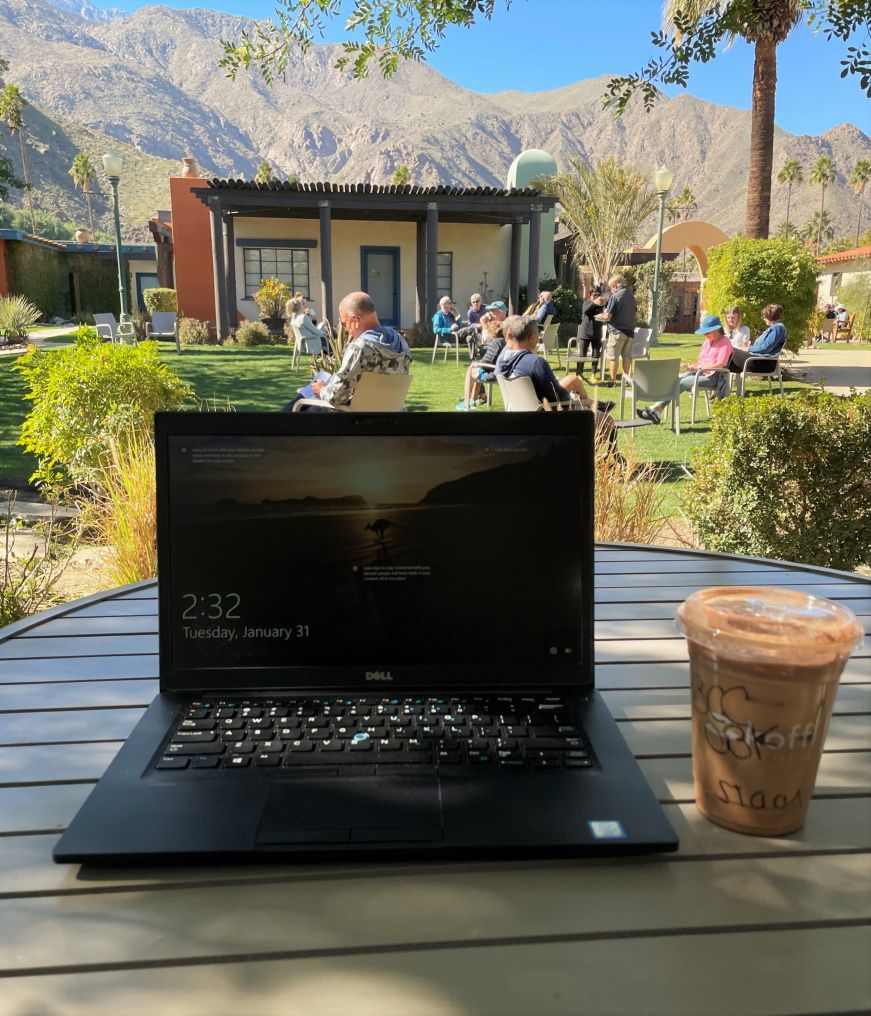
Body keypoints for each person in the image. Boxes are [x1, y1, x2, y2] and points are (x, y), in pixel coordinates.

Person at [282, 291, 410, 411]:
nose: (346, 330)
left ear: (355, 320)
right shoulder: (401, 343)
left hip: (351, 417)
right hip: (388, 413)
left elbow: (335, 397)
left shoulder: (360, 348)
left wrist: (321, 389)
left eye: (344, 324)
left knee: (300, 402)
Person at [637, 314, 733, 425]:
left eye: (707, 332)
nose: (705, 335)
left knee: (682, 383)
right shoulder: (707, 342)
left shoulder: (725, 342)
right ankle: (656, 412)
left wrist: (699, 368)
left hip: (714, 377)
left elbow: (721, 364)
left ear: (716, 330)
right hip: (700, 373)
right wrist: (692, 366)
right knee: (675, 379)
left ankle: (654, 409)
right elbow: (701, 362)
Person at [455, 303, 509, 409]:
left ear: (500, 312)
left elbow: (488, 347)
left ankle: (468, 401)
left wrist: (484, 326)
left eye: (492, 312)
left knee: (473, 369)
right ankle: (474, 399)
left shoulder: (501, 334)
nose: (489, 314)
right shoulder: (508, 330)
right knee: (477, 368)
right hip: (502, 367)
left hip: (497, 370)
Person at [595, 274, 637, 387]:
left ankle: (612, 381)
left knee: (613, 357)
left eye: (612, 287)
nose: (611, 290)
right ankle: (626, 380)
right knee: (626, 357)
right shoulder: (631, 295)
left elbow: (607, 315)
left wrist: (598, 316)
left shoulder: (615, 296)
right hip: (630, 331)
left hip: (617, 331)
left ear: (616, 286)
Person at [728, 304, 788, 376]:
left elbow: (766, 348)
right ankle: (721, 382)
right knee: (727, 357)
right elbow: (764, 346)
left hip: (764, 364)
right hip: (758, 360)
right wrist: (751, 346)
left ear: (770, 317)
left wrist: (748, 349)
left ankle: (717, 380)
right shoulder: (775, 329)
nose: (763, 318)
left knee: (730, 351)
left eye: (764, 316)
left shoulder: (778, 328)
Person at [577, 284, 607, 376]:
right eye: (594, 295)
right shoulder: (586, 303)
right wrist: (594, 303)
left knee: (596, 354)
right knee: (582, 355)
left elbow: (604, 314)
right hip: (585, 333)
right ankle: (579, 374)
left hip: (597, 333)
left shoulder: (601, 306)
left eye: (598, 295)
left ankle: (593, 374)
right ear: (590, 294)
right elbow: (586, 311)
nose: (596, 297)